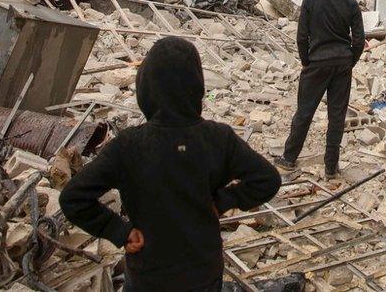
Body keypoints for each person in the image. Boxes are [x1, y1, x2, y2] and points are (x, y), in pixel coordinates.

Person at [59, 37, 281, 292]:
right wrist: (224, 201)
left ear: (146, 87)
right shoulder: (219, 139)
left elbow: (73, 198)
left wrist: (119, 231)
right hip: (203, 271)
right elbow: (268, 179)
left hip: (149, 274)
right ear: (197, 85)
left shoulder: (128, 145)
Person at [275, 0, 365, 177]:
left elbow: (302, 35)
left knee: (304, 112)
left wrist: (307, 60)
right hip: (341, 64)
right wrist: (349, 61)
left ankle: (288, 158)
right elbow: (359, 40)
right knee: (337, 116)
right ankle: (331, 167)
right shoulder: (350, 3)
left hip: (317, 63)